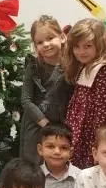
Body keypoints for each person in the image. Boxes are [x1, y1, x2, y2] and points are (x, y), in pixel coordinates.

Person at [63, 18, 106, 169]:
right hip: (80, 130)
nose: (81, 52)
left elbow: (104, 112)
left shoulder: (103, 70)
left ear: (99, 45)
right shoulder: (85, 67)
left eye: (87, 46)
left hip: (91, 135)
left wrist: (99, 142)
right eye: (76, 47)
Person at [20, 15, 70, 164]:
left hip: (62, 125)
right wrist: (46, 125)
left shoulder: (71, 65)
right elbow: (26, 100)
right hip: (37, 124)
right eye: (40, 42)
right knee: (33, 166)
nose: (46, 44)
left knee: (58, 163)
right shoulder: (34, 66)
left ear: (62, 37)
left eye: (50, 38)